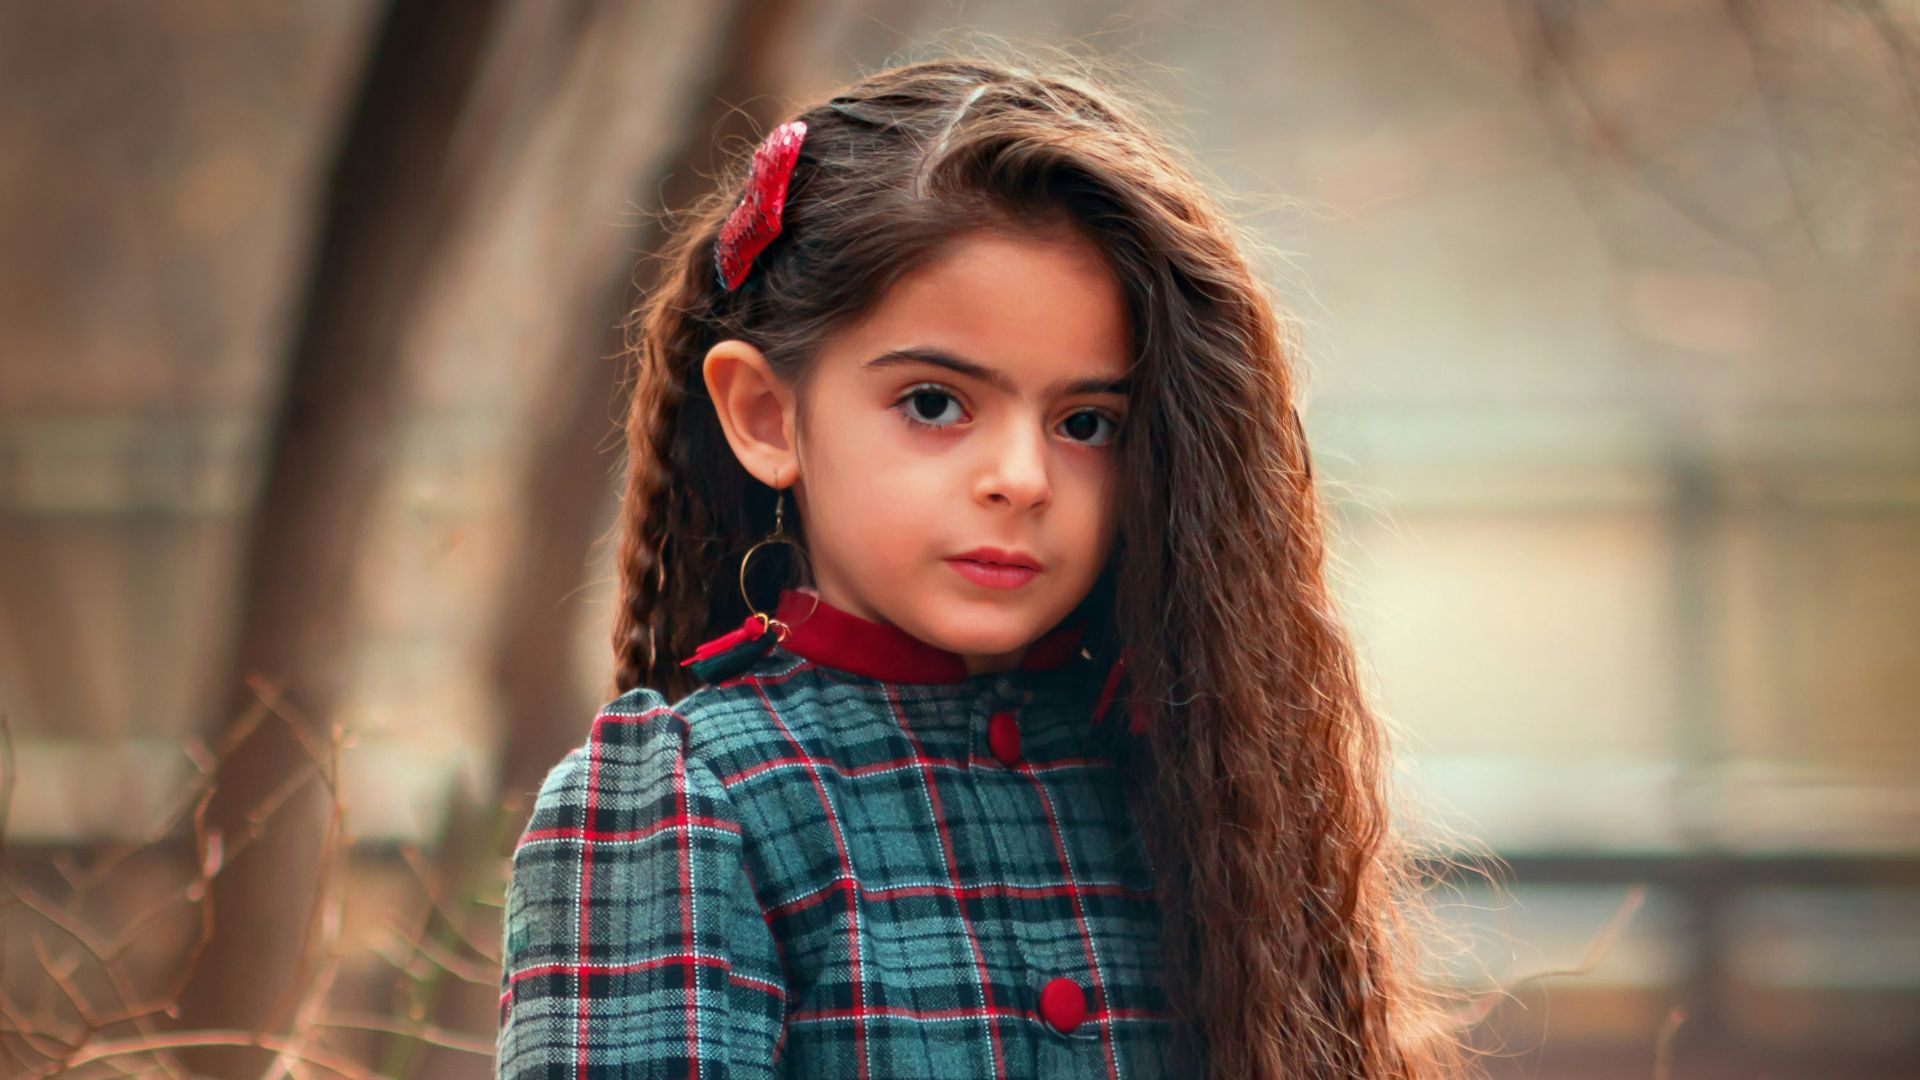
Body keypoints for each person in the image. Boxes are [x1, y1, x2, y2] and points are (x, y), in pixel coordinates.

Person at [496, 51, 1476, 1079]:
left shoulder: (1198, 776)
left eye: (1087, 422)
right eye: (934, 403)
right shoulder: (694, 799)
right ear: (766, 414)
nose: (1023, 477)